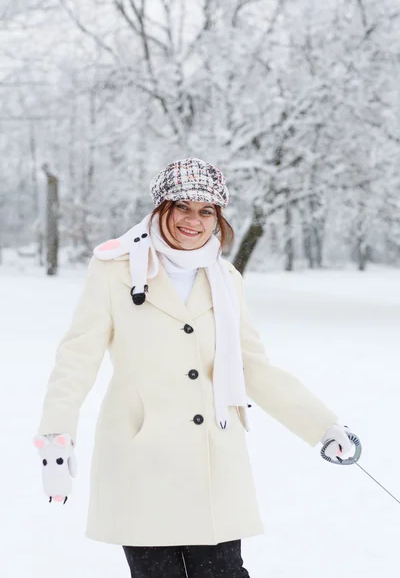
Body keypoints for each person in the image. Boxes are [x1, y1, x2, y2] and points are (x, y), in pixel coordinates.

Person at [33, 157, 354, 577]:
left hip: (212, 462)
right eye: (182, 206)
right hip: (142, 462)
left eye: (206, 211)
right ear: (160, 208)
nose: (193, 220)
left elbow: (251, 366)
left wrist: (321, 426)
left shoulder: (225, 278)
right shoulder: (114, 270)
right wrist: (57, 437)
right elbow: (78, 356)